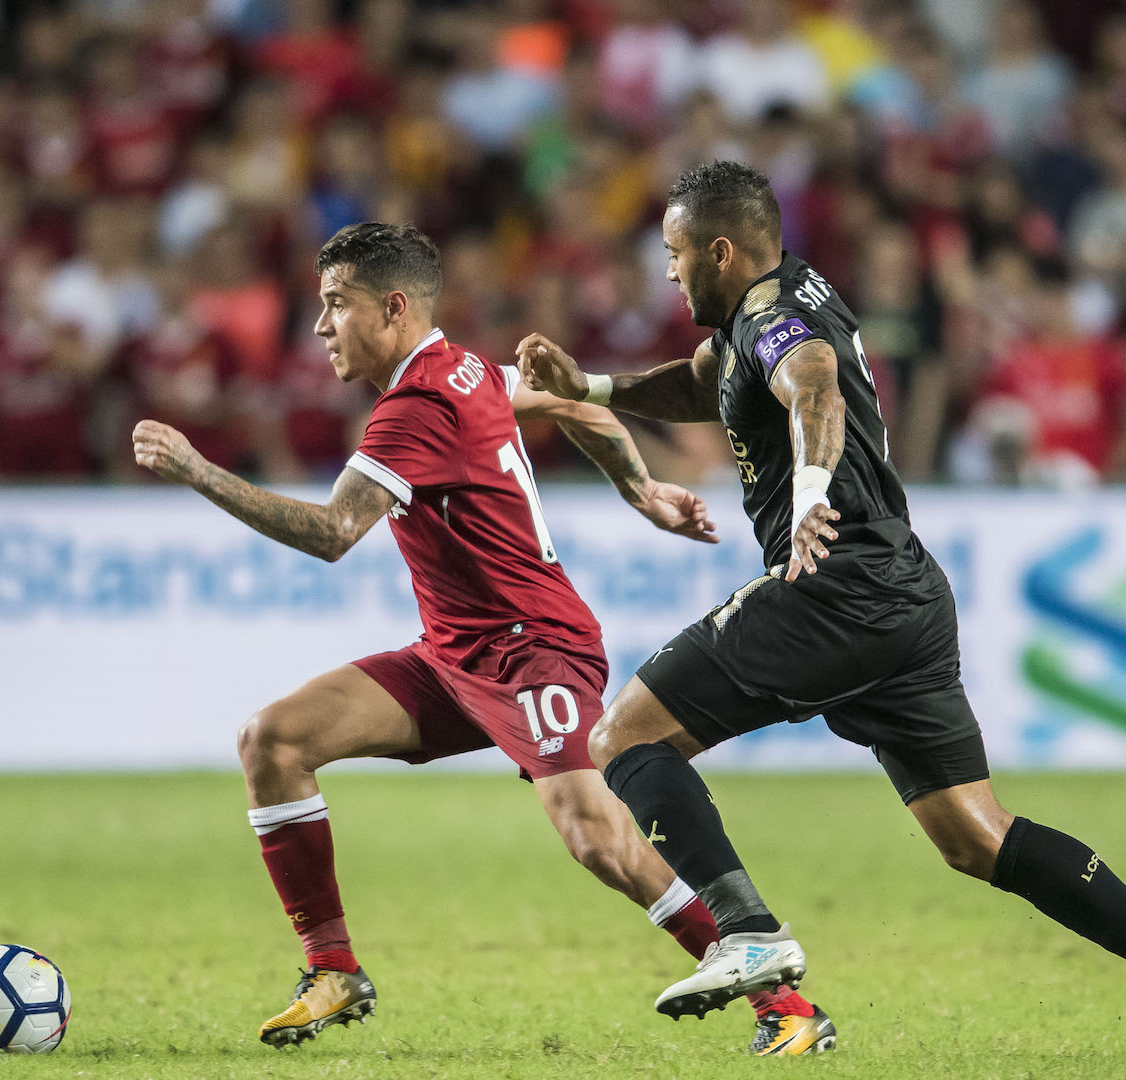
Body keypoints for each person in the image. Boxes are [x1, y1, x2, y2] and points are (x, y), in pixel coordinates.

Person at [515, 161, 1126, 1064]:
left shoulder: (770, 317)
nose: (667, 271)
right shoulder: (771, 299)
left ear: (719, 249)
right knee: (975, 836)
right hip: (907, 593)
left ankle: (748, 931)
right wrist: (591, 388)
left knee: (622, 740)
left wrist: (809, 495)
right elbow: (705, 383)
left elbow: (813, 383)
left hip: (840, 579)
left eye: (674, 253)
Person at [133, 222, 836, 1057]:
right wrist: (638, 485)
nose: (320, 325)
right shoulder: (461, 367)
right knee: (273, 740)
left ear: (392, 308)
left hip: (532, 646)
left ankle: (785, 1006)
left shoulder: (417, 404)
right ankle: (332, 969)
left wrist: (197, 470)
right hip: (455, 656)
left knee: (591, 830)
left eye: (335, 305)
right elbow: (563, 400)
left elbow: (330, 533)